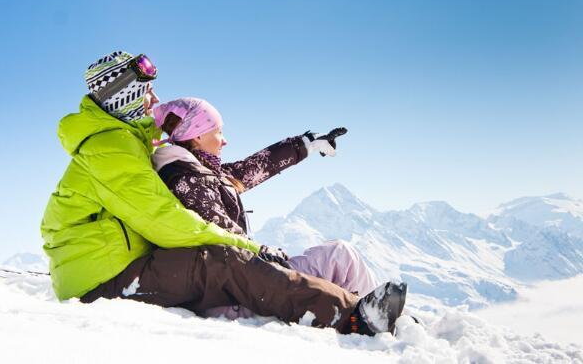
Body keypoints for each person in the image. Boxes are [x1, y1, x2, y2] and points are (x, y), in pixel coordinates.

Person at [40, 50, 406, 336]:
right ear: (127, 96)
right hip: (97, 281)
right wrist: (255, 249)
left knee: (237, 258)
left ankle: (373, 315)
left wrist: (303, 146)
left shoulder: (130, 144)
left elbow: (238, 172)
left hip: (109, 267)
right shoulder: (118, 152)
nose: (154, 96)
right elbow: (166, 222)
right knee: (221, 261)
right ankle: (352, 317)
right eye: (146, 89)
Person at [150, 97, 381, 319]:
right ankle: (379, 319)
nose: (224, 140)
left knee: (337, 256)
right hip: (233, 294)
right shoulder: (186, 180)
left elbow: (253, 168)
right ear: (198, 135)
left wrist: (305, 143)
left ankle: (369, 315)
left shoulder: (200, 172)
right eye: (218, 132)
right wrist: (265, 252)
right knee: (340, 256)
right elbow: (221, 237)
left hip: (242, 281)